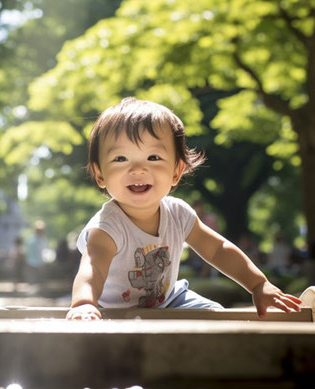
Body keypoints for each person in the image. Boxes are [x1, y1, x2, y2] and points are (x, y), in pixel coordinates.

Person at [66, 97, 301, 320]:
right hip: (111, 309)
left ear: (177, 171)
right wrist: (84, 303)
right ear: (99, 174)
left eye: (154, 157)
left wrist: (258, 284)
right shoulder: (106, 228)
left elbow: (218, 249)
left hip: (170, 300)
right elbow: (93, 268)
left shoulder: (178, 214)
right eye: (120, 159)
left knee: (216, 316)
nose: (138, 169)